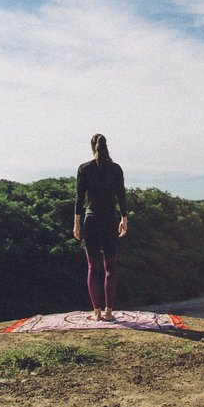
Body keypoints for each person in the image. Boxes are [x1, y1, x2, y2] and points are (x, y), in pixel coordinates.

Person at [73, 133, 128, 321]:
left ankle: (96, 312)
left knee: (92, 267)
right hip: (110, 220)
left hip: (91, 220)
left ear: (92, 148)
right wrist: (124, 219)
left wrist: (76, 223)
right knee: (110, 268)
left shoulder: (84, 168)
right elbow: (121, 195)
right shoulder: (116, 169)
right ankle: (109, 312)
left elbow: (79, 198)